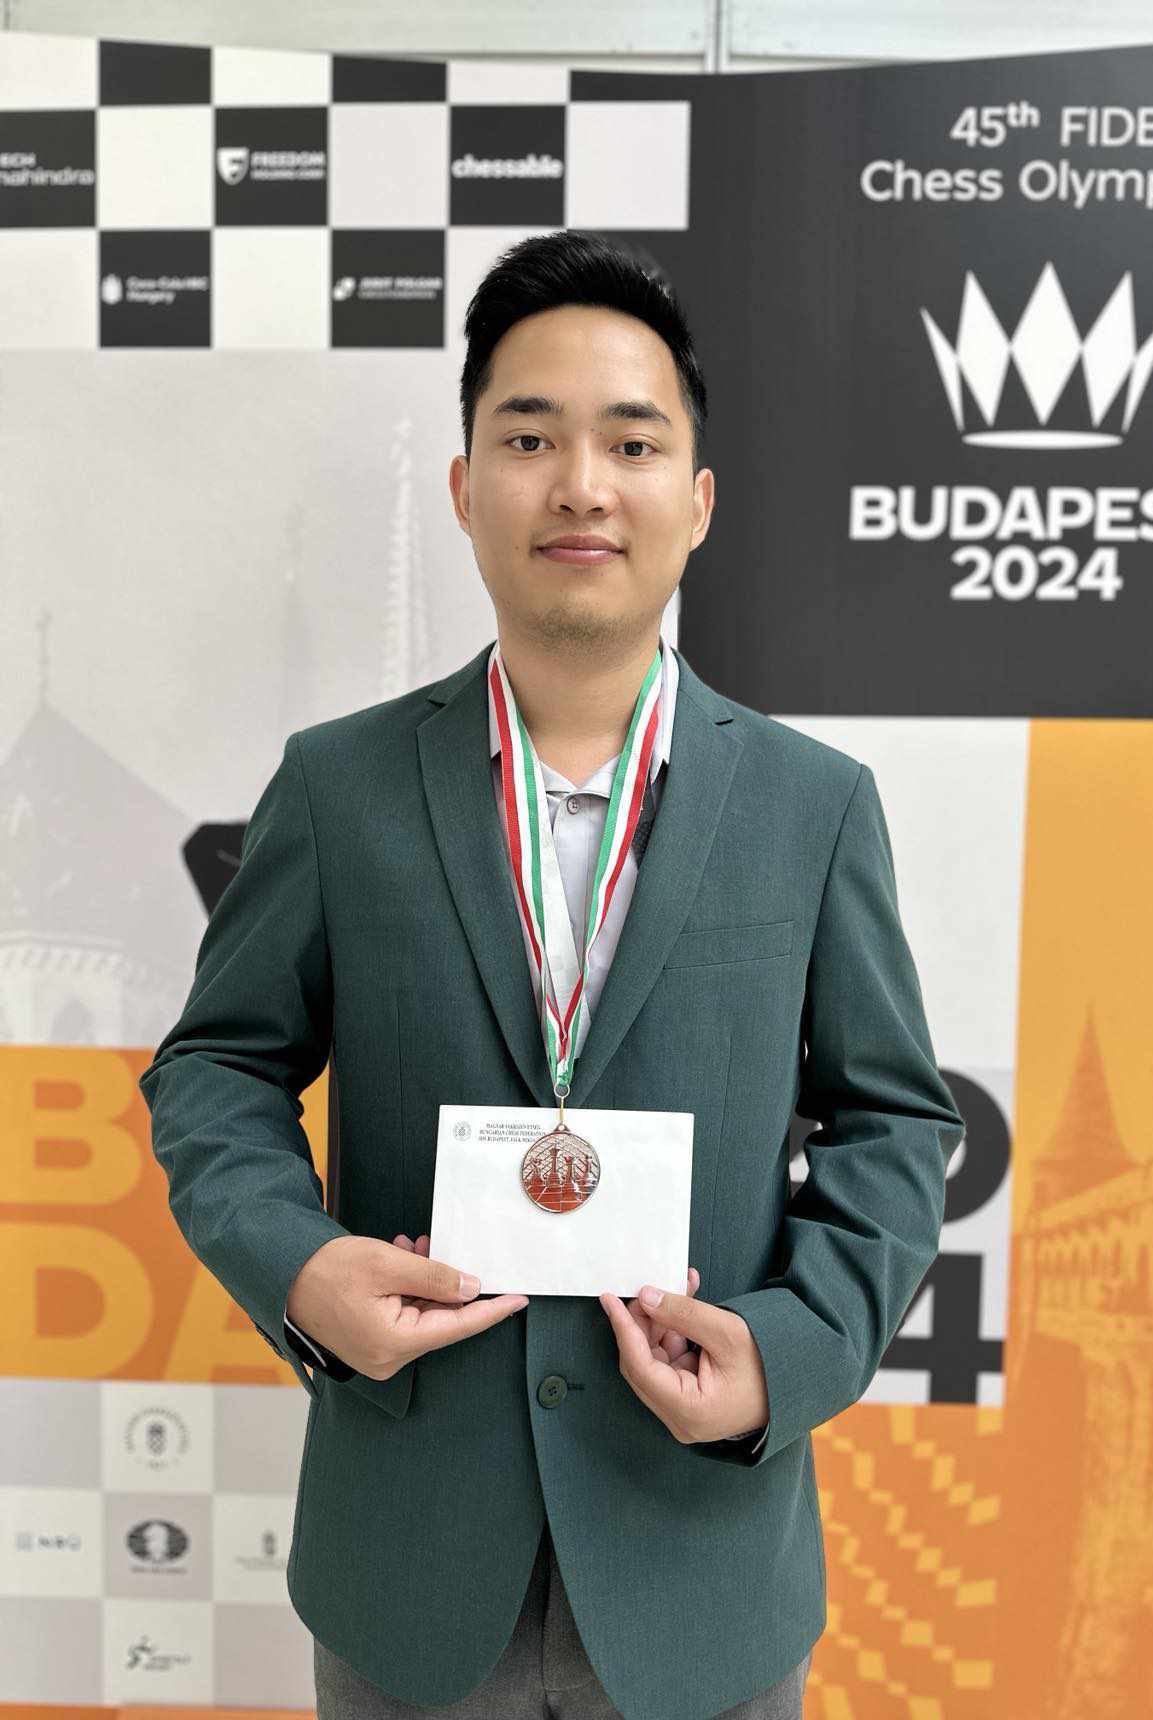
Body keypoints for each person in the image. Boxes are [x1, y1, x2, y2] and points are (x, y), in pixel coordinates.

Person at [138, 229, 964, 1720]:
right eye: (530, 438)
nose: (582, 484)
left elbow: (897, 1122)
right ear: (467, 490)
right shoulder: (338, 788)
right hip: (407, 1572)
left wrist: (788, 1354)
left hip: (702, 1564)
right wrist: (300, 1269)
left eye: (631, 443)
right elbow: (216, 1067)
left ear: (695, 501)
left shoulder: (811, 806)